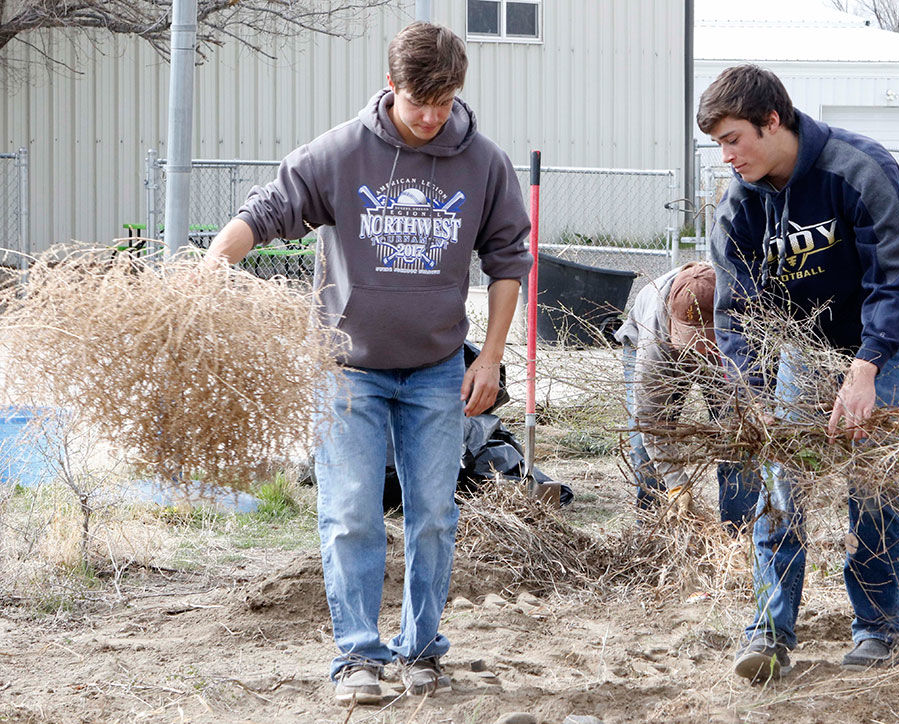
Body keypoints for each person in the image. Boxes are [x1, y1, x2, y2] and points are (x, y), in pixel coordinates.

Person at [199, 23, 532, 703]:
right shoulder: (343, 153)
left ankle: (422, 650)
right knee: (351, 512)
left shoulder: (486, 163)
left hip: (440, 369)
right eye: (419, 104)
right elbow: (267, 209)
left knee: (434, 514)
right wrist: (211, 263)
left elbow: (508, 263)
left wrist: (492, 357)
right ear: (391, 88)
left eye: (444, 103)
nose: (432, 117)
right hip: (348, 367)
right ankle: (357, 657)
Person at [698, 64, 899, 681]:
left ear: (772, 121)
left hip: (888, 328)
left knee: (868, 471)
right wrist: (752, 396)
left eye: (732, 139)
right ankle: (769, 633)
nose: (726, 156)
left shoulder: (859, 168)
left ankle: (879, 630)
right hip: (808, 340)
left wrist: (865, 369)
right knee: (784, 478)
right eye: (718, 144)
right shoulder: (741, 203)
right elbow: (737, 311)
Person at [613, 262, 757, 529]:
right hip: (656, 348)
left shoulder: (739, 314)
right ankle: (652, 531)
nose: (697, 351)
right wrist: (677, 484)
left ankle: (738, 535)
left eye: (704, 341)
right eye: (691, 341)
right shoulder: (654, 341)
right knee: (643, 448)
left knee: (736, 438)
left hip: (723, 353)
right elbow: (651, 421)